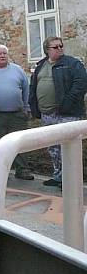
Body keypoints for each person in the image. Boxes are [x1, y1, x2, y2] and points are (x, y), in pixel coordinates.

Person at [29, 36, 87, 188]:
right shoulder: (41, 65)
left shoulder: (72, 64)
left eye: (61, 46)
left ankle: (70, 179)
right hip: (47, 114)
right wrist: (34, 106)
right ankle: (58, 176)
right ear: (47, 50)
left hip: (67, 113)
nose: (60, 48)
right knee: (53, 147)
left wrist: (68, 102)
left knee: (68, 147)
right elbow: (33, 86)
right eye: (55, 47)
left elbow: (81, 84)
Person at [0, 44, 33, 180]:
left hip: (17, 114)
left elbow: (26, 89)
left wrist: (26, 108)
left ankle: (22, 170)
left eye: (5, 53)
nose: (2, 56)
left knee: (20, 143)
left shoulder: (17, 70)